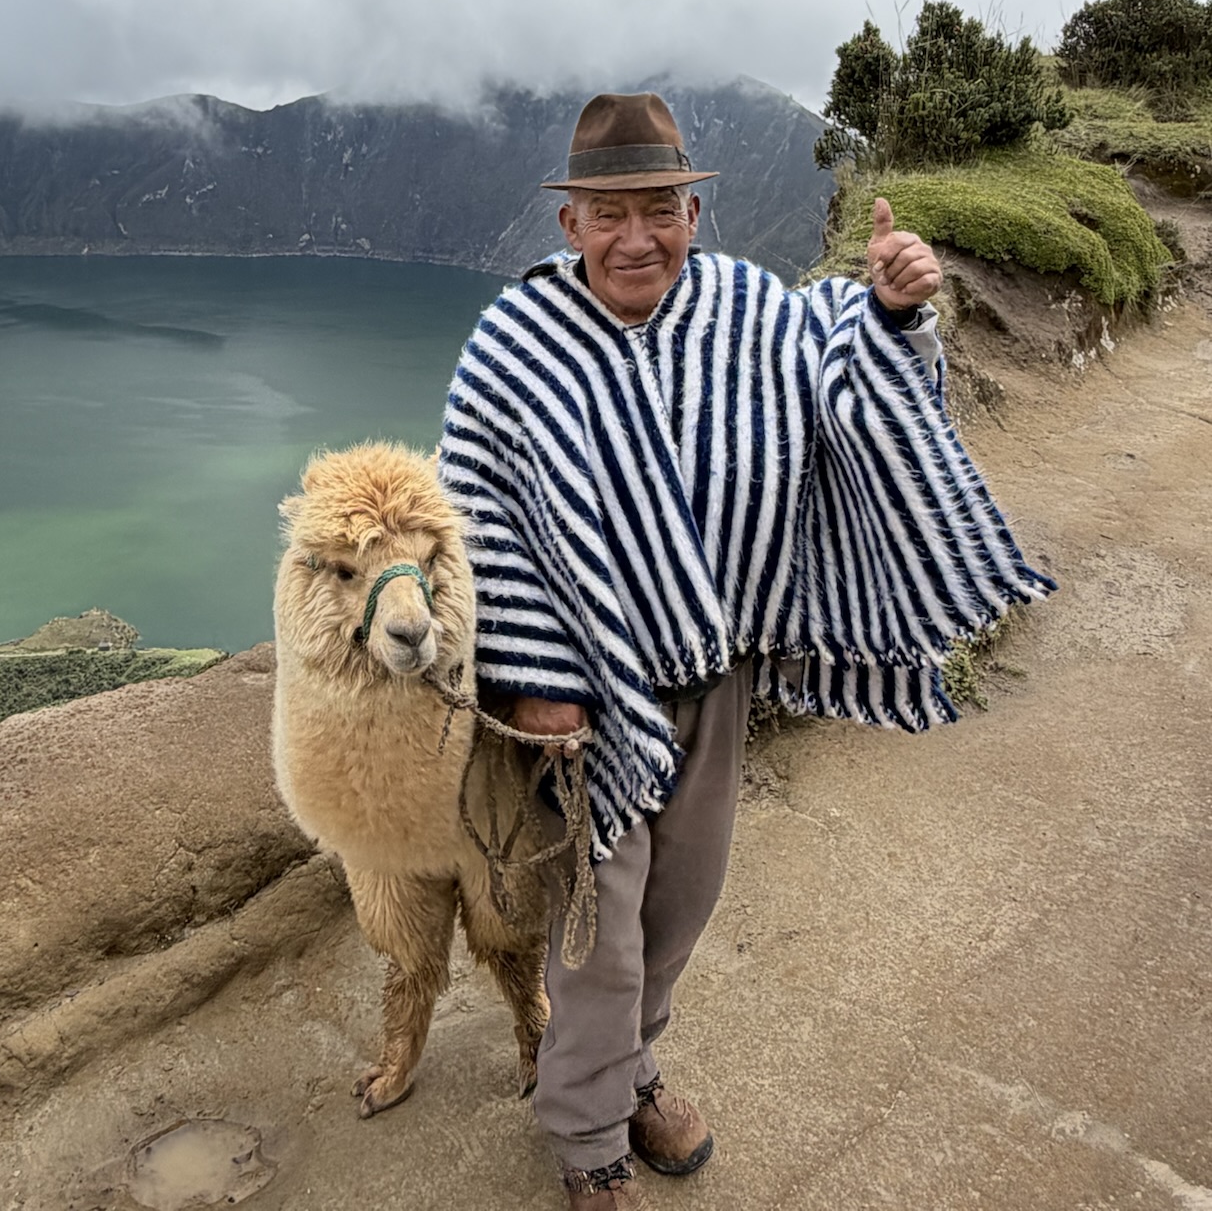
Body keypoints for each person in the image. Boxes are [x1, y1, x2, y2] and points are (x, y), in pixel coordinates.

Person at [438, 92, 1050, 1209]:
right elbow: (476, 512)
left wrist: (896, 312)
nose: (638, 238)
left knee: (683, 901)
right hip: (586, 697)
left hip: (719, 669)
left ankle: (632, 1068)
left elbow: (848, 385)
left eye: (661, 208)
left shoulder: (752, 311)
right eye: (609, 212)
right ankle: (585, 1138)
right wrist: (533, 678)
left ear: (693, 208)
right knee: (599, 928)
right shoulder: (512, 348)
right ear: (567, 222)